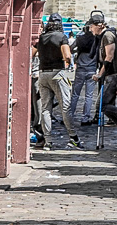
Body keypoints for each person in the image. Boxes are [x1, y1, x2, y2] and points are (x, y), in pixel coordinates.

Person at [33, 14, 81, 150]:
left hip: (43, 73)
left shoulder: (41, 37)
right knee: (65, 107)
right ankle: (73, 137)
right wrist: (67, 61)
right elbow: (67, 55)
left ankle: (47, 141)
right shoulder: (61, 37)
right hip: (57, 73)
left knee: (45, 109)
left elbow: (32, 53)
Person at [90, 14, 117, 128]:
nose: (91, 29)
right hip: (110, 75)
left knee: (101, 104)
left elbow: (109, 56)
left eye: (92, 26)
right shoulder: (103, 36)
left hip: (112, 75)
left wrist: (100, 74)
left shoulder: (108, 35)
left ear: (99, 25)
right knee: (108, 104)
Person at [68, 26, 98, 126]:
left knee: (75, 94)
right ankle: (85, 118)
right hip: (92, 69)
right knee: (89, 96)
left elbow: (70, 48)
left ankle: (70, 116)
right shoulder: (96, 40)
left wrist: (77, 52)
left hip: (80, 69)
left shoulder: (79, 39)